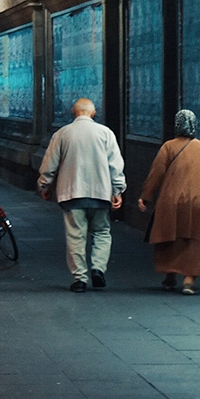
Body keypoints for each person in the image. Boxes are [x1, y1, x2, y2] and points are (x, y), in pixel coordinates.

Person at [38, 98, 126, 292]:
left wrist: (45, 186)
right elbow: (115, 164)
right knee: (102, 232)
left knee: (75, 236)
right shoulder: (105, 133)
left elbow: (49, 164)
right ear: (93, 113)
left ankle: (80, 278)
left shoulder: (62, 134)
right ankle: (98, 269)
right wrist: (117, 189)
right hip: (101, 193)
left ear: (73, 112)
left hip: (72, 193)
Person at [137, 109, 200, 295]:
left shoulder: (168, 147)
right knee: (196, 241)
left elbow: (156, 173)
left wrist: (146, 196)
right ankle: (189, 280)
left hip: (172, 201)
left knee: (170, 237)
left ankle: (170, 277)